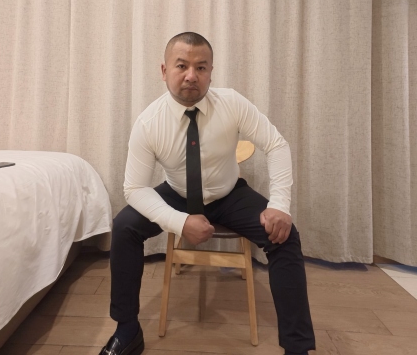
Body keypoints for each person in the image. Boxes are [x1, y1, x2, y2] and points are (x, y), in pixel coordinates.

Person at [98, 32, 315, 355]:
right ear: (164, 70)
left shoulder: (232, 103)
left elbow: (276, 144)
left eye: (201, 67)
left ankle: (297, 348)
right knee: (125, 226)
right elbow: (134, 188)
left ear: (211, 72)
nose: (191, 75)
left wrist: (280, 205)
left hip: (229, 195)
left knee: (284, 234)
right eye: (181, 66)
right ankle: (127, 329)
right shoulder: (149, 123)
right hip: (177, 194)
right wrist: (179, 222)